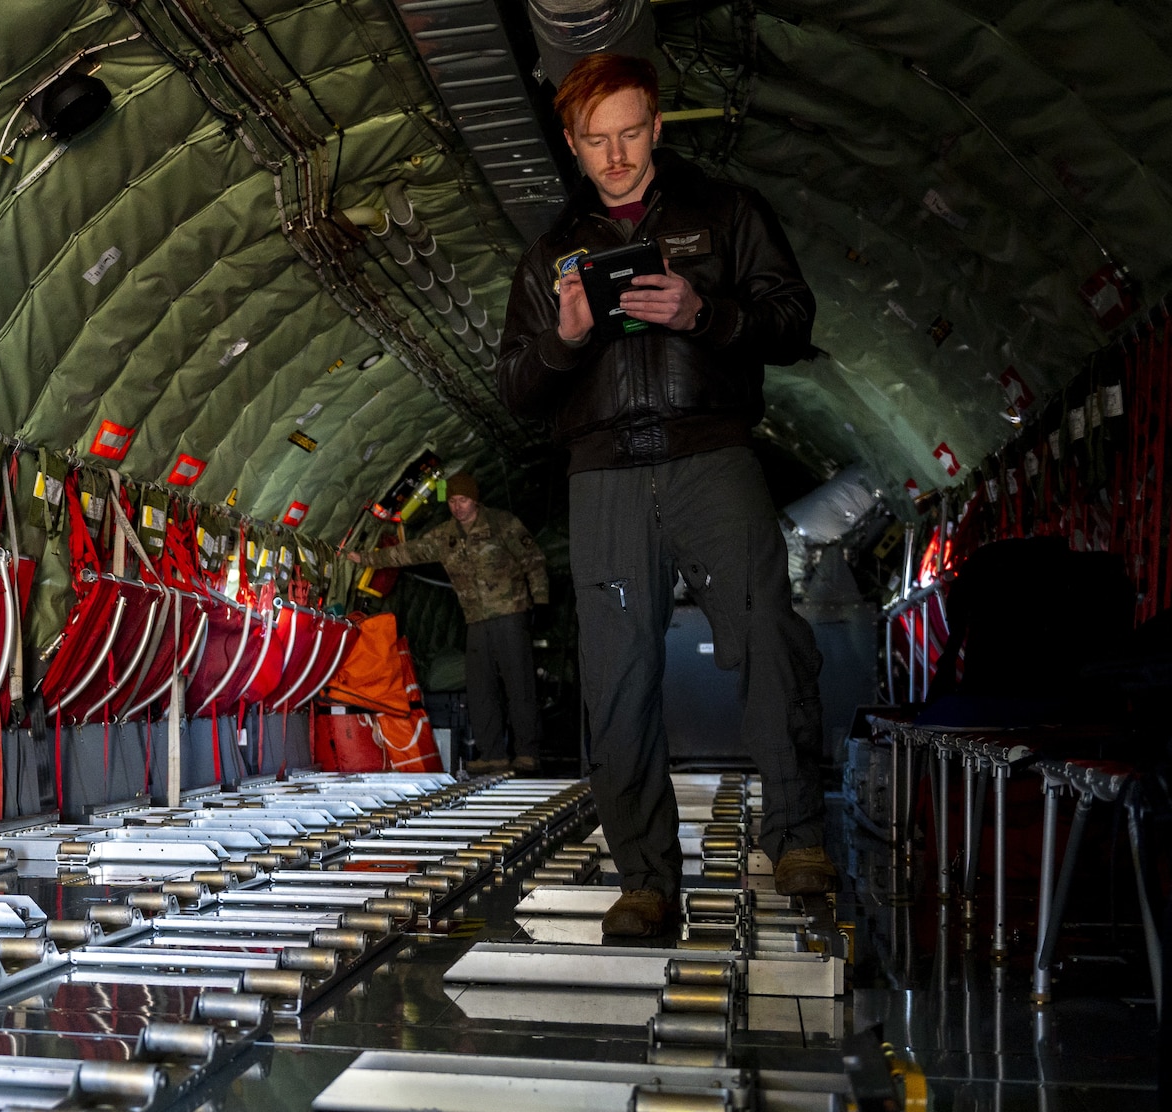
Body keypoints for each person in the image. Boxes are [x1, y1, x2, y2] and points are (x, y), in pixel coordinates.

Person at [499, 51, 838, 935]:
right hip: (603, 474)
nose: (615, 155)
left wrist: (705, 315)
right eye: (596, 140)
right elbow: (517, 389)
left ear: (656, 125)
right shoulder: (548, 258)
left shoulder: (725, 214)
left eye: (631, 133)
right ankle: (645, 876)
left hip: (710, 453)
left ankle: (797, 832)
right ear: (573, 144)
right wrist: (566, 341)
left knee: (768, 631)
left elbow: (793, 319)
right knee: (617, 676)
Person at [348, 473, 548, 774]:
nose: (458, 507)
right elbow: (407, 553)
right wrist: (362, 558)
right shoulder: (445, 536)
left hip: (510, 614)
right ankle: (493, 754)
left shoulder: (502, 524)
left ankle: (527, 753)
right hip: (476, 620)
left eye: (463, 500)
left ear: (475, 500)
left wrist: (541, 601)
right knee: (481, 689)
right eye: (453, 501)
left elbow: (533, 561)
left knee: (519, 685)